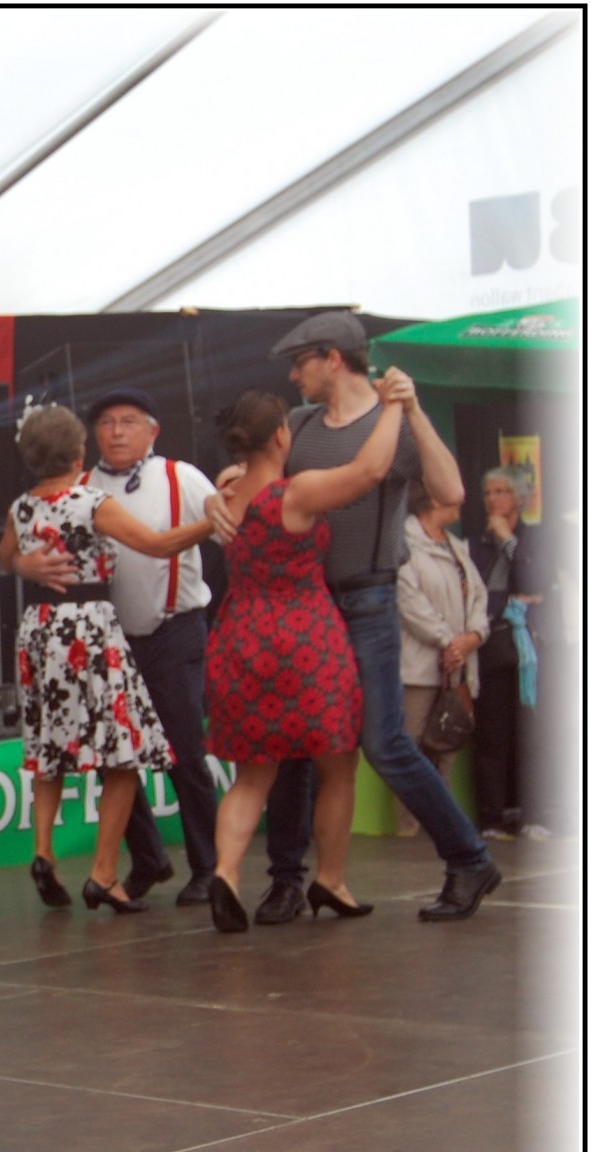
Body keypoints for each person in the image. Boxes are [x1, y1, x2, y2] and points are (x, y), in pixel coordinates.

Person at [209, 312, 500, 923]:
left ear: (332, 359)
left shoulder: (389, 422)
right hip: (312, 604)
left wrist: (411, 409)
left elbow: (451, 491)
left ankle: (469, 858)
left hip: (367, 598)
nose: (294, 376)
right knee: (294, 744)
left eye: (301, 363)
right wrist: (217, 492)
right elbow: (252, 474)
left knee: (384, 742)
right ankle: (288, 881)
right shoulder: (298, 425)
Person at [0, 389, 222, 907]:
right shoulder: (87, 493)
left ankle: (203, 865)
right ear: (83, 446)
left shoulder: (181, 477)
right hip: (99, 638)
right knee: (117, 755)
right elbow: (156, 544)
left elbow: (10, 547)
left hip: (153, 632)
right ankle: (129, 864)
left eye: (129, 421)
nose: (117, 431)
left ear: (153, 430)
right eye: (106, 423)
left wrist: (221, 511)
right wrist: (25, 564)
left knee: (174, 749)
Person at [203, 387, 410, 931]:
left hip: (240, 639)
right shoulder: (294, 493)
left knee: (252, 777)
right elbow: (369, 471)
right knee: (337, 766)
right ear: (280, 435)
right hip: (304, 639)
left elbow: (231, 480)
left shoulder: (227, 495)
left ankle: (225, 873)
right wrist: (393, 406)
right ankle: (331, 879)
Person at [395, 480, 488, 838]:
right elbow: (409, 603)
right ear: (434, 500)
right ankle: (409, 830)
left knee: (448, 745)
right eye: (454, 495)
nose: (463, 500)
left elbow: (478, 597)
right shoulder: (403, 544)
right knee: (413, 745)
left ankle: (444, 830)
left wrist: (473, 637)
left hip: (459, 668)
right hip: (419, 669)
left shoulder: (457, 546)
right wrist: (450, 642)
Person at [466, 466, 547, 839]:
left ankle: (535, 815)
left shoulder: (536, 540)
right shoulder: (475, 545)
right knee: (492, 731)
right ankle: (492, 817)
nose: (492, 499)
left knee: (532, 731)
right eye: (488, 493)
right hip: (490, 642)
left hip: (530, 644)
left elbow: (535, 583)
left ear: (520, 498)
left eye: (500, 492)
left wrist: (507, 540)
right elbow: (477, 594)